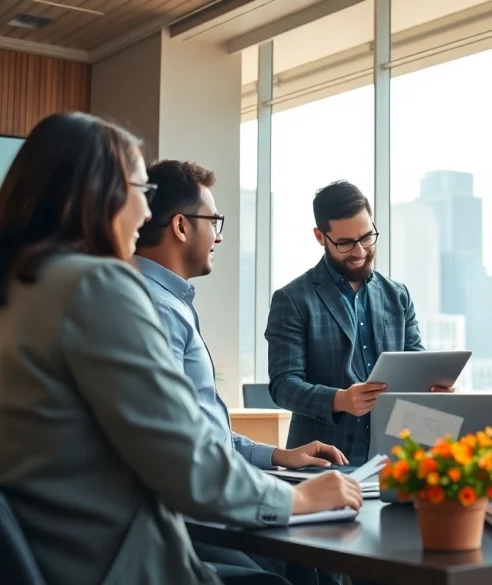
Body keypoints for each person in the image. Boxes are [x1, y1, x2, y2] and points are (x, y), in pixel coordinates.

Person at [0, 112, 362, 585]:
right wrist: (297, 499)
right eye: (139, 191)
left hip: (55, 553)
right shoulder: (96, 285)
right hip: (116, 560)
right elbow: (179, 455)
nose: (147, 213)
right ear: (96, 192)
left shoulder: (19, 289)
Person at [134, 159, 349, 584]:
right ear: (180, 226)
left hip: (198, 502)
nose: (219, 234)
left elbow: (196, 428)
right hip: (182, 518)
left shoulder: (168, 302)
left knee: (311, 564)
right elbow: (180, 451)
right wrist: (296, 497)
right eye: (213, 220)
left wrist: (274, 456)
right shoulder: (154, 310)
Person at [266, 180, 453, 466]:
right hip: (322, 464)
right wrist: (339, 400)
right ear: (320, 236)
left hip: (395, 461)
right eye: (345, 243)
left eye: (367, 237)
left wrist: (433, 388)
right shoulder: (292, 299)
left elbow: (416, 363)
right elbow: (283, 385)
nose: (360, 251)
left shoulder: (397, 295)